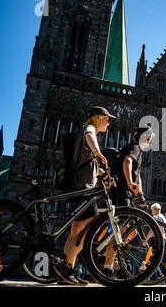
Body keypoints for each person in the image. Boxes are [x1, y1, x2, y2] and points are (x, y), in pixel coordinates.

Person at [54, 106, 115, 285]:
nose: (109, 122)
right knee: (86, 231)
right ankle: (67, 270)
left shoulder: (87, 136)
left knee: (76, 232)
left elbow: (90, 163)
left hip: (79, 186)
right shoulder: (90, 130)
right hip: (83, 187)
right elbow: (89, 135)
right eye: (107, 118)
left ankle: (66, 272)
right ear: (97, 118)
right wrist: (98, 153)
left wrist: (104, 174)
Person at [102, 126, 155, 274]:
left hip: (126, 194)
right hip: (121, 192)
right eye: (150, 139)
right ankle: (108, 265)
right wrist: (130, 182)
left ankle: (111, 254)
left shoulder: (137, 150)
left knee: (130, 232)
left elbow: (137, 176)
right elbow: (127, 162)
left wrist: (141, 194)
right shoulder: (135, 148)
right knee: (122, 231)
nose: (150, 142)